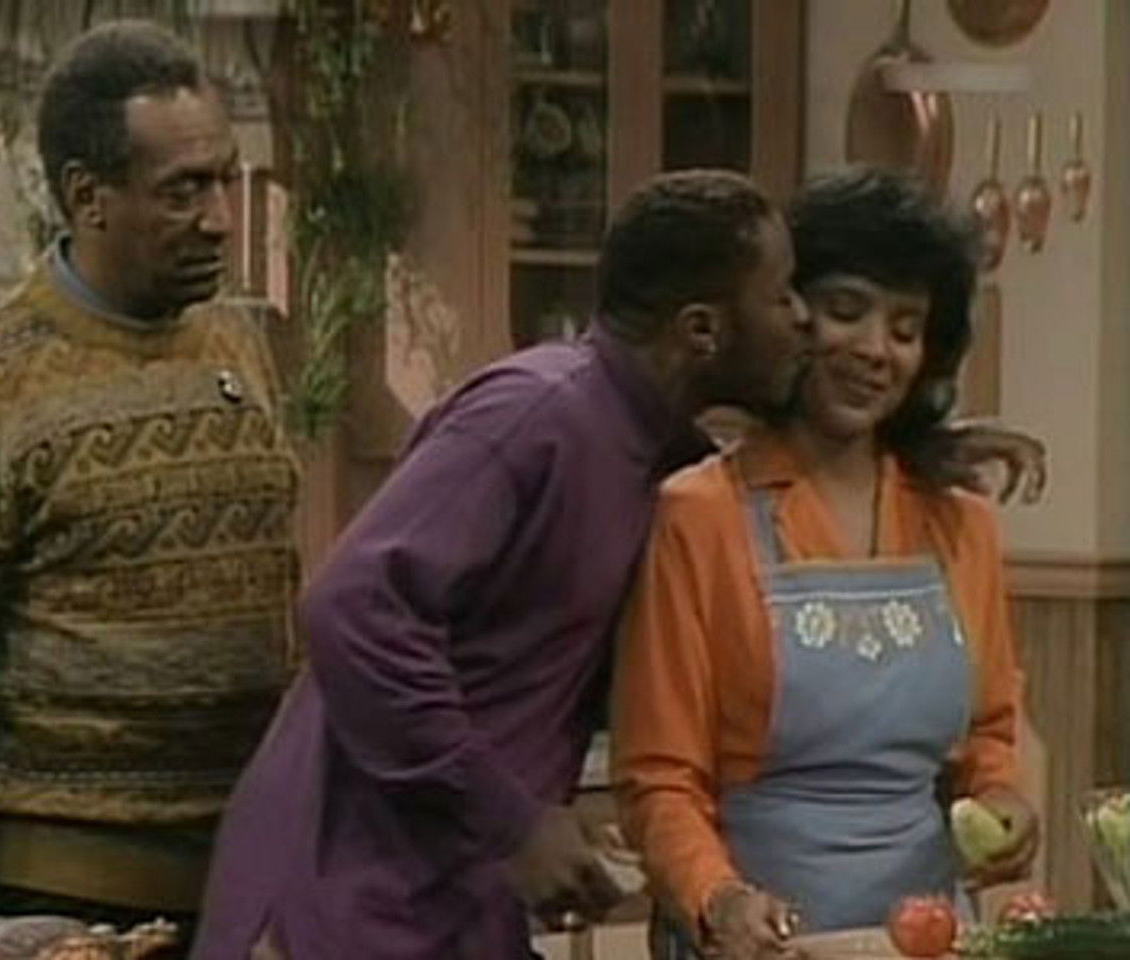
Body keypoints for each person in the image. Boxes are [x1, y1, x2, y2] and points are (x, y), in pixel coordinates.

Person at [191, 168, 1044, 960]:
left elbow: (985, 725)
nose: (807, 326)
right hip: (342, 889)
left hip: (459, 899)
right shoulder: (546, 416)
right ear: (703, 329)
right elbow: (353, 608)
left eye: (905, 329)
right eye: (796, 301)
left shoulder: (664, 452)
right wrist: (522, 823)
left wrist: (923, 444)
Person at [0, 19, 300, 934]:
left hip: (243, 875)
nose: (221, 217)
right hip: (57, 900)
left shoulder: (239, 346)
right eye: (184, 190)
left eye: (225, 179)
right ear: (87, 196)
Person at [612, 168, 1040, 960]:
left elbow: (991, 733)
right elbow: (659, 775)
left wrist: (1004, 801)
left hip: (927, 939)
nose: (876, 350)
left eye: (906, 329)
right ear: (788, 316)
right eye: (847, 311)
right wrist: (719, 900)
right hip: (753, 941)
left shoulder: (961, 523)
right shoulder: (699, 514)